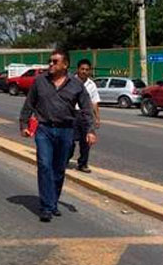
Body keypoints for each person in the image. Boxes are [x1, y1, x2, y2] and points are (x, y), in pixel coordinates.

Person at [19, 49, 97, 222]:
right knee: (45, 165)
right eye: (50, 61)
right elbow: (28, 104)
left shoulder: (76, 85)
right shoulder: (40, 82)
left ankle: (53, 202)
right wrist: (24, 124)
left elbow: (86, 110)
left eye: (55, 62)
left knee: (59, 169)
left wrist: (90, 130)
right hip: (44, 129)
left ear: (65, 64)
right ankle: (46, 207)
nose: (50, 64)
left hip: (66, 131)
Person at [69, 59, 101, 173]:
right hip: (72, 114)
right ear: (78, 69)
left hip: (85, 115)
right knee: (69, 141)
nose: (84, 71)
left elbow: (94, 102)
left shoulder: (91, 85)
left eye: (87, 69)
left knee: (86, 141)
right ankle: (65, 158)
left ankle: (82, 164)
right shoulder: (70, 81)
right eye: (82, 69)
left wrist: (97, 118)